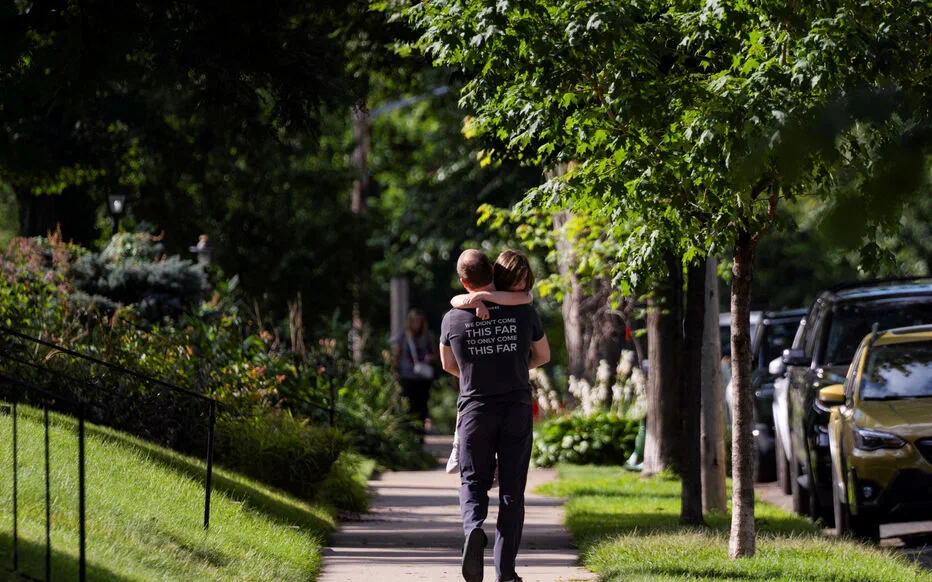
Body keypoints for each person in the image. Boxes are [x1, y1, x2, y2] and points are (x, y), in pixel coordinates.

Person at [440, 249, 550, 582]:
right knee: (512, 492)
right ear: (492, 269)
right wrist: (514, 365)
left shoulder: (451, 319)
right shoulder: (523, 310)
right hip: (515, 407)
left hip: (475, 409)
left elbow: (447, 365)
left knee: (473, 482)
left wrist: (479, 371)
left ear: (462, 280)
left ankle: (474, 528)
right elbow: (542, 356)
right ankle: (506, 572)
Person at [446, 250, 535, 475]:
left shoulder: (522, 300)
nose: (522, 284)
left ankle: (462, 446)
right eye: (518, 279)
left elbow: (447, 364)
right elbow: (454, 300)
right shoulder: (518, 307)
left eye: (525, 280)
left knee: (469, 399)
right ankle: (463, 446)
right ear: (495, 272)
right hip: (512, 394)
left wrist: (479, 298)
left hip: (480, 399)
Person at [392, 308, 436, 437]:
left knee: (421, 407)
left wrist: (429, 358)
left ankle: (419, 435)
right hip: (407, 376)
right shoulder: (403, 336)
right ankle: (409, 435)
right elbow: (397, 354)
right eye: (414, 321)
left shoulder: (428, 336)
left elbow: (435, 354)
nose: (417, 324)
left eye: (419, 321)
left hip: (423, 378)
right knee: (408, 407)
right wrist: (395, 372)